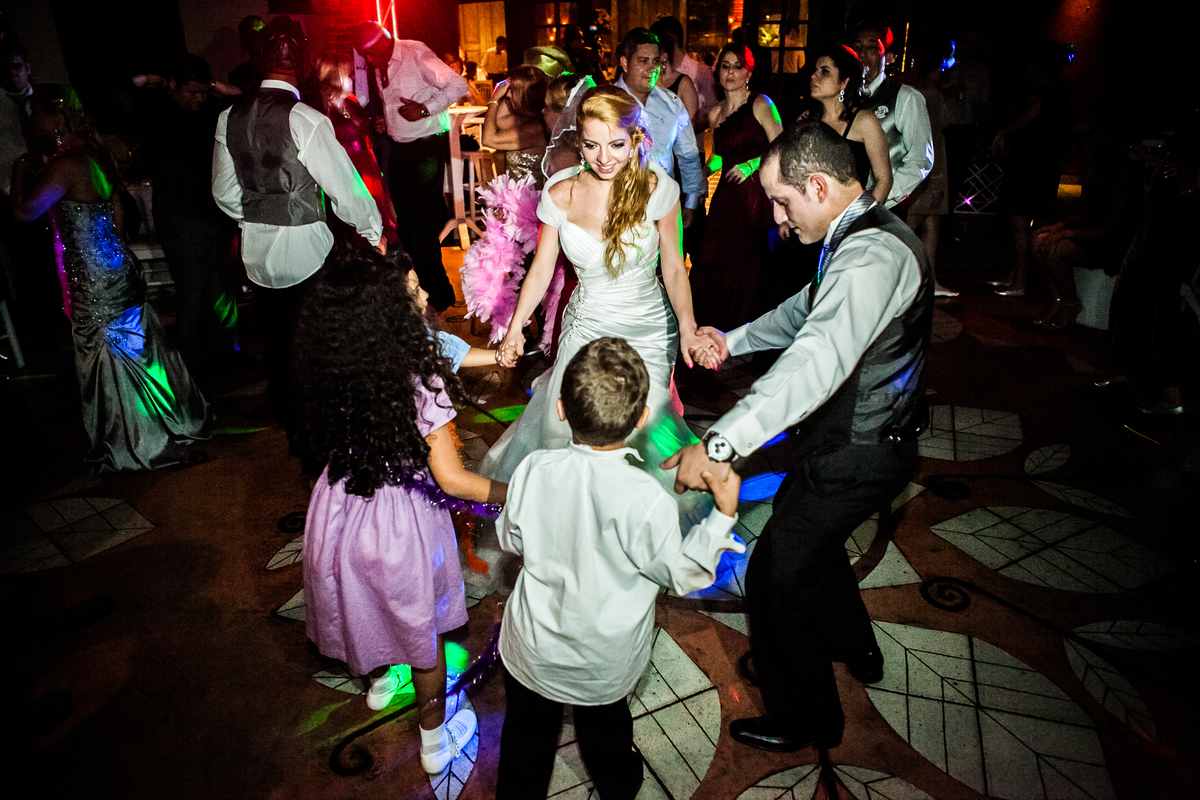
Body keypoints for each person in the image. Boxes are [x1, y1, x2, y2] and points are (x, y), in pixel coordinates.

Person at [663, 120, 933, 752]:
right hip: (858, 442)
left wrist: (719, 445)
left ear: (817, 185)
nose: (779, 218)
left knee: (775, 576)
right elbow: (807, 307)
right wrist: (734, 340)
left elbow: (815, 360)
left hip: (861, 450)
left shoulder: (871, 256)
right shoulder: (858, 237)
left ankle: (809, 719)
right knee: (809, 536)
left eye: (782, 201)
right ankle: (858, 647)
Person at [494, 337, 744, 800]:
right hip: (602, 661)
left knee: (526, 742)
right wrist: (721, 518)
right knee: (606, 736)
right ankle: (620, 787)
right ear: (642, 420)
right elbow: (684, 574)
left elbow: (510, 540)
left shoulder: (532, 470)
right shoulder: (646, 498)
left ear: (562, 408)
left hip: (533, 647)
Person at [297, 248, 503, 774]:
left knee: (361, 600)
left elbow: (442, 348)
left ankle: (379, 682)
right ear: (388, 314)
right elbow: (453, 479)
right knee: (422, 632)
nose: (428, 295)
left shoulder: (334, 361)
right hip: (399, 523)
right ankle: (434, 743)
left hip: (338, 510)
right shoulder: (417, 379)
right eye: (415, 291)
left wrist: (495, 355)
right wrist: (515, 491)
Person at [481, 86, 719, 523]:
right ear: (578, 141)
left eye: (616, 144)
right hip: (586, 325)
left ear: (637, 140)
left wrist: (687, 326)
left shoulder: (658, 189)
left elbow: (673, 269)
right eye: (591, 145)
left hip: (647, 326)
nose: (603, 157)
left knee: (647, 425)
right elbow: (541, 270)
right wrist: (515, 328)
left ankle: (644, 523)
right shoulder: (560, 194)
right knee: (571, 423)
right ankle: (578, 521)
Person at [213, 16, 384, 473]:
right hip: (308, 253)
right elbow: (346, 190)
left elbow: (225, 194)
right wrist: (374, 234)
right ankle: (328, 450)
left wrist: (259, 215)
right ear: (302, 61)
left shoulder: (229, 117)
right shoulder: (304, 117)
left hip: (257, 257)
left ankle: (299, 440)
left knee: (279, 351)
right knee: (320, 353)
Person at [10, 84, 210, 471]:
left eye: (34, 112)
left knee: (112, 356)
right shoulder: (95, 154)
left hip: (95, 277)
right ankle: (173, 421)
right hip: (116, 264)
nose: (29, 120)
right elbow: (118, 212)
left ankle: (141, 441)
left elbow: (23, 212)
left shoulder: (65, 164)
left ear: (53, 117)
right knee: (137, 348)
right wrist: (116, 255)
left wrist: (19, 169)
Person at [134, 54, 241, 368]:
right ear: (172, 85)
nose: (198, 98)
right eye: (191, 92)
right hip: (181, 213)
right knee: (193, 287)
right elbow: (113, 97)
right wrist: (147, 79)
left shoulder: (210, 107)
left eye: (203, 91)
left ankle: (227, 351)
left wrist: (216, 87)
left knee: (224, 284)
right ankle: (191, 358)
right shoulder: (154, 111)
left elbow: (249, 99)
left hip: (217, 212)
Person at [354, 21, 468, 311]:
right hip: (400, 147)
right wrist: (384, 121)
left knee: (420, 225)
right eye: (365, 55)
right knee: (404, 223)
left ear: (385, 41)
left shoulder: (415, 52)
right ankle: (423, 292)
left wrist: (424, 108)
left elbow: (458, 85)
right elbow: (393, 104)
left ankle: (439, 296)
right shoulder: (379, 65)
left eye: (373, 53)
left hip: (427, 145)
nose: (369, 60)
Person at [690, 44, 784, 332]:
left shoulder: (761, 103)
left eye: (737, 66)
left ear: (748, 73)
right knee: (714, 257)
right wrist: (704, 172)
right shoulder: (715, 114)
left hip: (755, 193)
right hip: (727, 196)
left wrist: (751, 164)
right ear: (718, 73)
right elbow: (720, 154)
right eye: (725, 66)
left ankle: (746, 328)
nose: (730, 72)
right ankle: (713, 327)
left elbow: (782, 145)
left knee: (748, 261)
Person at [987, 42, 1072, 297]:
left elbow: (1032, 113)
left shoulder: (1040, 93)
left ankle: (1020, 282)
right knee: (1026, 223)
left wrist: (1005, 130)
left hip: (1030, 163)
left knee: (1020, 224)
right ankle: (1015, 276)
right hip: (1045, 163)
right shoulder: (1063, 93)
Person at [612, 28, 704, 233]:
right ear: (625, 63)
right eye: (643, 61)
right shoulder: (608, 102)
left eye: (656, 61)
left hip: (663, 205)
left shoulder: (671, 104)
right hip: (617, 206)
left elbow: (688, 154)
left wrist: (690, 202)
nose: (652, 68)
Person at [314, 51, 400, 248]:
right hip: (347, 171)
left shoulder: (351, 100)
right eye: (349, 73)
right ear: (335, 76)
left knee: (379, 214)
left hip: (367, 166)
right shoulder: (323, 107)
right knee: (359, 220)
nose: (353, 77)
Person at [850, 22, 933, 211]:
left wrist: (881, 196)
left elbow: (921, 160)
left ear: (887, 57)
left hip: (884, 207)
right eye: (856, 47)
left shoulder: (905, 97)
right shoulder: (842, 97)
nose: (862, 54)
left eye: (872, 47)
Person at [803, 46, 892, 202]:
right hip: (809, 217)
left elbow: (884, 180)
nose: (813, 76)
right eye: (815, 70)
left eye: (825, 71)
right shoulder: (806, 119)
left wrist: (860, 219)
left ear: (844, 82)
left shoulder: (864, 121)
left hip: (847, 218)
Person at [481, 65, 548, 187]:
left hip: (530, 200)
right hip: (516, 197)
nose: (508, 94)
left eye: (512, 90)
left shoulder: (536, 128)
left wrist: (494, 99)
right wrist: (506, 92)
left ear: (522, 93)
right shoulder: (527, 118)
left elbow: (488, 139)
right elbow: (500, 121)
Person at [649, 16, 716, 134]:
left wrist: (689, 127)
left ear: (673, 39)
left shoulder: (701, 71)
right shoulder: (655, 74)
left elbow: (713, 111)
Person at [228, 15, 265, 94]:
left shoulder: (278, 70)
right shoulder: (237, 75)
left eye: (263, 31)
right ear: (244, 40)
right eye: (253, 33)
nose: (260, 37)